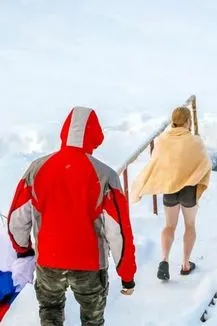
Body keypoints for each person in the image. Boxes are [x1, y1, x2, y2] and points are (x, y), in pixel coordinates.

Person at [7, 107, 137, 326]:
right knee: (92, 319)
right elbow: (117, 231)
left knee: (50, 311)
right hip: (90, 266)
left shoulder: (36, 169)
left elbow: (17, 219)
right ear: (95, 136)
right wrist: (127, 274)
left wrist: (23, 249)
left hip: (49, 261)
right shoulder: (106, 175)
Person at [131, 106, 211, 281]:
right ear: (188, 121)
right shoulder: (195, 141)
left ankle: (164, 260)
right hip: (188, 189)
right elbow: (205, 163)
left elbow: (157, 161)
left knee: (169, 226)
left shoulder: (162, 140)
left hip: (170, 188)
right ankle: (185, 264)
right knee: (190, 225)